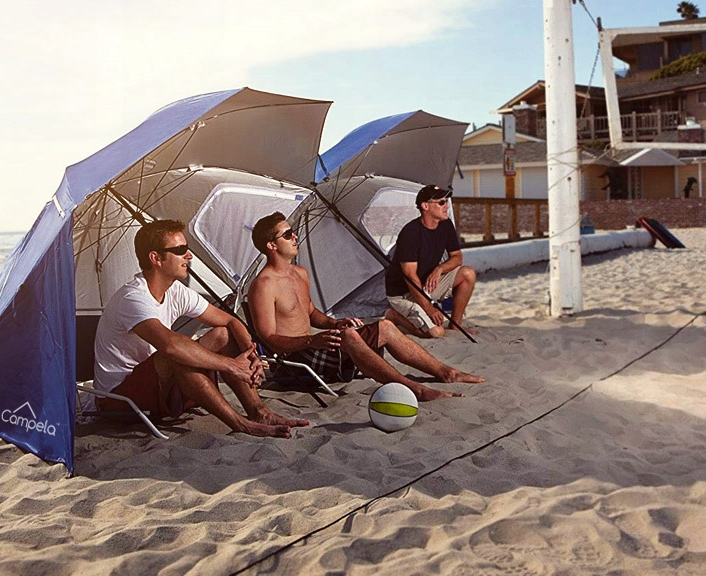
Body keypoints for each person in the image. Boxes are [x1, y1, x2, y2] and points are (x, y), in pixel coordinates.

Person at [93, 219, 308, 438]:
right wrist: (232, 366)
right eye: (180, 250)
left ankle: (259, 412)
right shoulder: (133, 298)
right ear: (156, 258)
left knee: (222, 335)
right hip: (119, 400)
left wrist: (250, 355)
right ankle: (242, 424)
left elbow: (230, 321)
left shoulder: (176, 291)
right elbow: (169, 345)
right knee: (177, 354)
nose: (189, 256)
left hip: (158, 387)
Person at [247, 212, 483, 401]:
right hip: (294, 363)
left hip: (317, 350)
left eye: (293, 232)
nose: (295, 236)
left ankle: (446, 372)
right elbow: (269, 338)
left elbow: (311, 313)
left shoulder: (300, 273)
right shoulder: (263, 285)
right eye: (288, 234)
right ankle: (415, 389)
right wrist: (311, 341)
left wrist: (336, 323)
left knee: (384, 327)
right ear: (272, 245)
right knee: (350, 336)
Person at [384, 184, 476, 339]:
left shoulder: (446, 224)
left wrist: (439, 269)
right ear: (425, 206)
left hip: (426, 285)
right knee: (436, 333)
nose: (446, 206)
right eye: (441, 202)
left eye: (446, 201)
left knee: (468, 273)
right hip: (404, 293)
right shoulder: (410, 233)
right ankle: (394, 316)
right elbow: (410, 276)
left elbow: (457, 257)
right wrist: (429, 308)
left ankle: (456, 324)